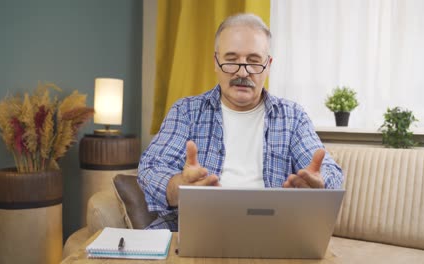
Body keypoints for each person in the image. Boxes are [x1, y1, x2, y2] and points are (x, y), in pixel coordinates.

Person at [138, 13, 343, 231]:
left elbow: (330, 173)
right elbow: (151, 168)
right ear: (216, 62)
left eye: (254, 61)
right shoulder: (186, 111)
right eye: (231, 60)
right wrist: (180, 187)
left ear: (268, 65)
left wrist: (320, 185)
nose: (242, 71)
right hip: (195, 226)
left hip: (273, 230)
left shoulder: (293, 117)